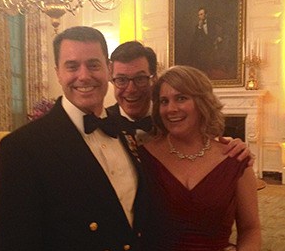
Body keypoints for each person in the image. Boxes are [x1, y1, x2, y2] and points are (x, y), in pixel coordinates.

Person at [0, 27, 147, 251]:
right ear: (58, 73)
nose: (84, 76)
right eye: (72, 66)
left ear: (108, 69)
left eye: (93, 64)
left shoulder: (123, 132)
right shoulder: (22, 148)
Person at [138, 65, 261, 251]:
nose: (171, 109)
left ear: (202, 102)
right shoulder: (142, 155)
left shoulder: (234, 159)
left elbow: (250, 228)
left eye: (181, 98)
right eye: (164, 101)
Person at [107, 40, 254, 161]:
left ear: (154, 78)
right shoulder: (101, 125)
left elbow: (203, 148)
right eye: (121, 80)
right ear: (112, 80)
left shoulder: (172, 120)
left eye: (140, 79)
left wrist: (237, 148)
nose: (131, 89)